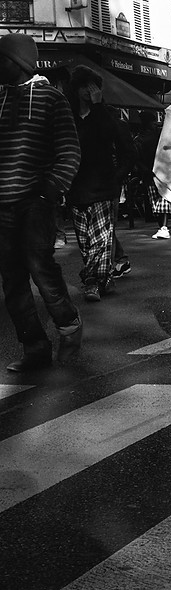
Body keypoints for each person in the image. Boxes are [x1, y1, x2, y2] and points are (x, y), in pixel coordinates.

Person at [0, 33, 83, 370]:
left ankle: (69, 327)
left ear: (16, 62)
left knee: (41, 268)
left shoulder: (51, 99)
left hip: (36, 201)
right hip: (3, 204)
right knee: (12, 279)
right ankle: (34, 348)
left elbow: (70, 150)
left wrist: (51, 189)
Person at [66, 66, 136, 302]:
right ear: (76, 89)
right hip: (76, 187)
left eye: (93, 87)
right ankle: (104, 278)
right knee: (85, 241)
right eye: (84, 86)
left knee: (101, 240)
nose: (89, 91)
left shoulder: (107, 114)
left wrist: (116, 178)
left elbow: (124, 148)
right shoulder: (68, 116)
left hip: (103, 188)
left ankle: (92, 282)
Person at [135, 112, 171, 238]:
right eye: (153, 121)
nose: (155, 123)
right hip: (158, 172)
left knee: (159, 199)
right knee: (159, 199)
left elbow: (136, 159)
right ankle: (162, 226)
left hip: (152, 173)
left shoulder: (140, 139)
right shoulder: (157, 136)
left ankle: (163, 226)